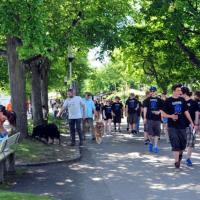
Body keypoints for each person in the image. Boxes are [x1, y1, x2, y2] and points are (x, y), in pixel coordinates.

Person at [161, 84, 195, 169]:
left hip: (182, 125)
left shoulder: (182, 100)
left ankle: (180, 156)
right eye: (179, 90)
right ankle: (176, 162)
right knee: (175, 142)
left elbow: (186, 112)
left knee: (182, 144)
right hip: (172, 126)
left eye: (180, 90)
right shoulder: (168, 101)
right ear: (174, 91)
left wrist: (191, 122)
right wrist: (171, 116)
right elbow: (162, 114)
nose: (180, 92)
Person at [181, 87, 199, 166]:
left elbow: (197, 113)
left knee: (190, 143)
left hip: (190, 125)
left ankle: (188, 158)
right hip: (180, 125)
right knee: (181, 142)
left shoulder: (193, 102)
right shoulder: (179, 102)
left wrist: (196, 123)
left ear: (184, 93)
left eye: (180, 92)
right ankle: (179, 155)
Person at [143, 86, 163, 153]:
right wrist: (145, 117)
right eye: (151, 91)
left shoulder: (160, 100)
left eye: (153, 91)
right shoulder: (146, 100)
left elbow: (162, 108)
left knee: (157, 132)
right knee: (150, 133)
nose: (152, 92)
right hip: (149, 118)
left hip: (157, 118)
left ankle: (155, 146)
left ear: (156, 91)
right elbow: (145, 109)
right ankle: (151, 142)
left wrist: (158, 112)